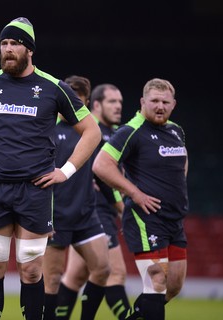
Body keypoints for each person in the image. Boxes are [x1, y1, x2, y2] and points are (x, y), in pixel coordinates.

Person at [0, 17, 101, 320]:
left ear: (30, 50)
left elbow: (92, 131)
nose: (8, 49)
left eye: (15, 44)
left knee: (30, 268)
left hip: (34, 190)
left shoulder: (54, 88)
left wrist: (65, 171)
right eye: (4, 44)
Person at [93, 78, 189, 320]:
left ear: (174, 104)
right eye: (154, 101)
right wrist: (134, 193)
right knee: (157, 278)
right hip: (146, 218)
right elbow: (101, 165)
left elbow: (182, 162)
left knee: (173, 284)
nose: (160, 106)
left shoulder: (176, 130)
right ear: (142, 102)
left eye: (165, 102)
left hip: (174, 219)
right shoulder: (131, 131)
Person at [59, 83, 131, 319]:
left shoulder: (116, 134)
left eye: (120, 102)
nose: (118, 106)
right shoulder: (90, 133)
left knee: (76, 277)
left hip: (96, 213)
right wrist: (124, 208)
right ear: (96, 105)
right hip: (94, 212)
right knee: (115, 273)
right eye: (112, 102)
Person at [43, 75, 110, 320]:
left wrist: (118, 204)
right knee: (50, 281)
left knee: (103, 269)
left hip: (85, 214)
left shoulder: (93, 134)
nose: (73, 106)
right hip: (55, 216)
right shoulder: (48, 130)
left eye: (79, 102)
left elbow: (102, 172)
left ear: (87, 102)